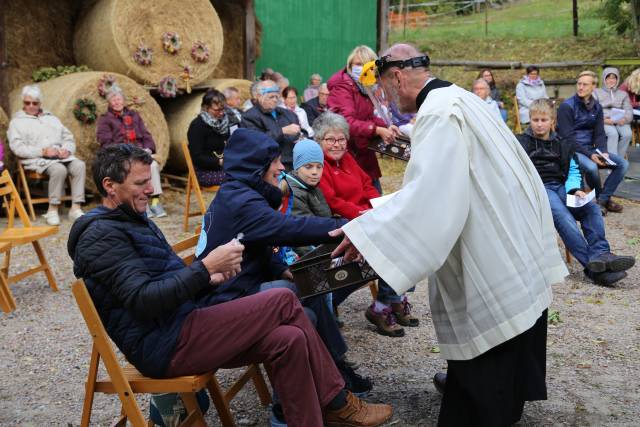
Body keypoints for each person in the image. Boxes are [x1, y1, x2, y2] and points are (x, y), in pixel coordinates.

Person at [67, 144, 392, 427]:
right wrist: (205, 269)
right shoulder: (99, 236)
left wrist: (209, 277)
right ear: (110, 186)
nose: (151, 190)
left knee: (289, 337)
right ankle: (338, 403)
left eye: (149, 180)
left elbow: (162, 282)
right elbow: (143, 300)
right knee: (282, 299)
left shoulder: (132, 221)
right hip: (166, 345)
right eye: (140, 183)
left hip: (182, 325)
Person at [332, 43, 568, 426]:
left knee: (488, 337)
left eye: (386, 92)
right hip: (507, 230)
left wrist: (366, 233)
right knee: (508, 335)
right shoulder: (458, 97)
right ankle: (491, 394)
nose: (387, 102)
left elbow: (432, 198)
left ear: (396, 77)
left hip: (488, 242)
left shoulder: (439, 114)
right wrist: (376, 218)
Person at [195, 129, 375, 419]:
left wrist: (282, 269)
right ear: (256, 166)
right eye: (275, 162)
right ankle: (301, 400)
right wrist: (346, 227)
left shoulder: (238, 194)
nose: (281, 167)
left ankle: (331, 371)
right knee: (297, 305)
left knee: (308, 287)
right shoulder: (241, 202)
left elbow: (258, 244)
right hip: (226, 302)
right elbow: (288, 228)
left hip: (239, 290)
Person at [314, 111, 419, 337]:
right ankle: (384, 305)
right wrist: (365, 214)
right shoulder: (318, 164)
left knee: (405, 234)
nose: (337, 144)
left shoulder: (348, 159)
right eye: (330, 139)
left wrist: (377, 206)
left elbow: (367, 184)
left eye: (341, 139)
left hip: (366, 217)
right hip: (347, 223)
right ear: (319, 141)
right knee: (391, 243)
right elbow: (333, 201)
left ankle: (392, 300)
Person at [517, 99, 635, 286]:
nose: (539, 124)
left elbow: (573, 171)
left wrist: (576, 190)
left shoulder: (563, 144)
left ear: (552, 120)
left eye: (544, 120)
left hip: (562, 186)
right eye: (535, 120)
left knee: (591, 208)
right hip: (539, 189)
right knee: (565, 219)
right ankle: (593, 268)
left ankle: (602, 254)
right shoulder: (521, 143)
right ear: (529, 120)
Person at [8, 84, 85, 225]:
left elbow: (68, 138)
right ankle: (52, 209)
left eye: (34, 103)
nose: (31, 106)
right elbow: (17, 148)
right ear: (23, 102)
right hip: (36, 159)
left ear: (40, 103)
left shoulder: (52, 118)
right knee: (59, 169)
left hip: (60, 156)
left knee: (79, 165)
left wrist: (67, 149)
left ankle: (76, 207)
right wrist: (42, 151)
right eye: (27, 103)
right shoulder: (16, 122)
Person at [327, 45, 400, 194]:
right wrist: (376, 129)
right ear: (350, 65)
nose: (360, 68)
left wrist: (385, 126)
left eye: (364, 64)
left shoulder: (363, 86)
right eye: (357, 64)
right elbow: (345, 121)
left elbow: (367, 116)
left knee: (375, 198)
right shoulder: (343, 86)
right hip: (346, 152)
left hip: (362, 152)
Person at [557, 71, 629, 215]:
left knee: (623, 164)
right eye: (579, 84)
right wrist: (591, 155)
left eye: (585, 84)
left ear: (593, 87)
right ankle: (602, 199)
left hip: (590, 149)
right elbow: (567, 138)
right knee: (591, 167)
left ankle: (602, 199)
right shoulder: (567, 106)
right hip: (572, 150)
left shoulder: (596, 107)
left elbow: (599, 133)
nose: (581, 87)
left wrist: (603, 151)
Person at [96, 85, 166, 218]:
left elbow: (146, 134)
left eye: (119, 99)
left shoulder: (134, 115)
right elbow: (105, 142)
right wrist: (123, 152)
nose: (117, 102)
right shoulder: (105, 119)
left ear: (123, 100)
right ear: (109, 103)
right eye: (114, 100)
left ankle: (155, 202)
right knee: (133, 171)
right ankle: (142, 204)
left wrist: (148, 149)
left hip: (139, 152)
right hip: (122, 155)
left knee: (153, 165)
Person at [241, 80, 303, 170]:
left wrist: (301, 136)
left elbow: (300, 131)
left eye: (276, 97)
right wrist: (282, 131)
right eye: (271, 97)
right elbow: (256, 142)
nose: (275, 100)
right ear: (259, 96)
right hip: (268, 165)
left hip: (293, 162)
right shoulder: (249, 116)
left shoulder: (287, 113)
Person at [187, 89, 239, 187]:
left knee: (251, 172)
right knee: (238, 177)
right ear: (206, 108)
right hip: (204, 172)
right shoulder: (197, 126)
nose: (221, 113)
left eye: (223, 109)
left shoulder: (226, 122)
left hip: (226, 167)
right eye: (217, 110)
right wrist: (219, 161)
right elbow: (197, 157)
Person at [594, 67, 633, 158]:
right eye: (608, 78)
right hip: (604, 120)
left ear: (617, 79)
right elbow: (593, 110)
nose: (611, 80)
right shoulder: (596, 92)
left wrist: (625, 119)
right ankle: (611, 162)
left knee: (627, 134)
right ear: (604, 79)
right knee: (613, 134)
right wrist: (603, 120)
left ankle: (618, 159)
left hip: (620, 120)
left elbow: (629, 109)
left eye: (614, 78)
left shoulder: (623, 94)